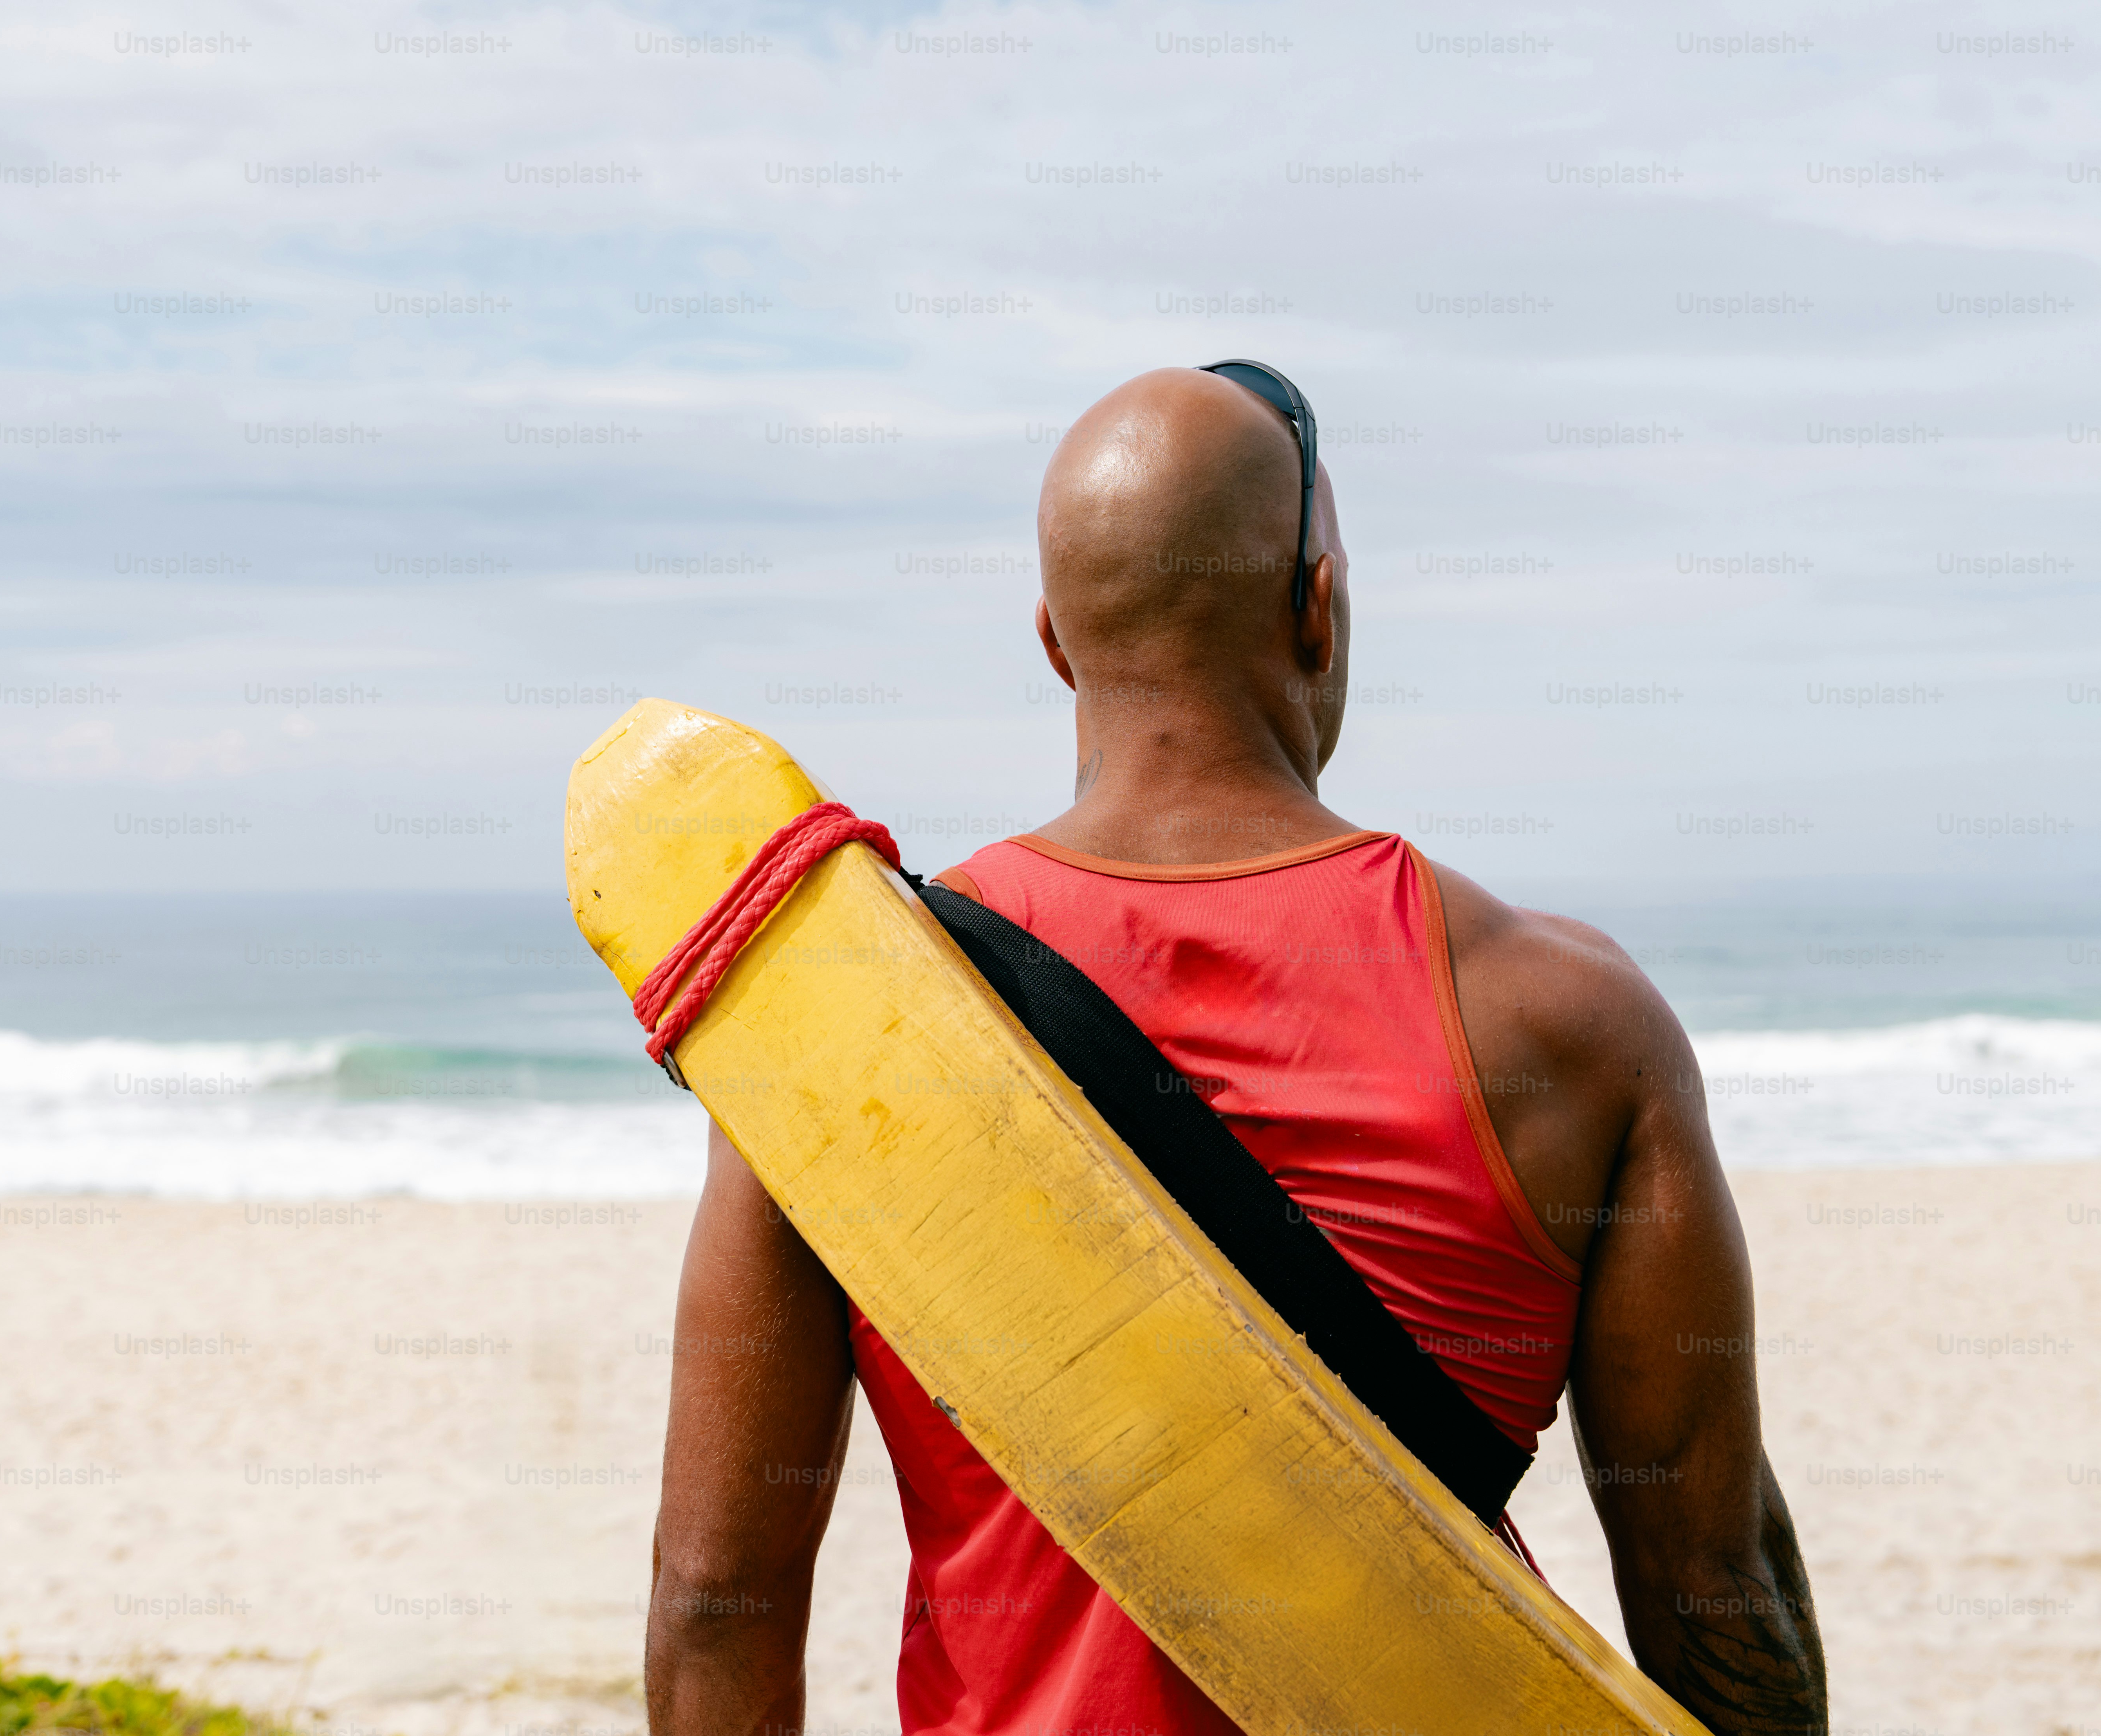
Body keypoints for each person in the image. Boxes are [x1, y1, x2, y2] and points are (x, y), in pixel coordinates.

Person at [642, 367, 1826, 1736]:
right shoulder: (1569, 1021)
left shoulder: (853, 1026)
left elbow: (715, 1590)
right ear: (1317, 609)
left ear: (1055, 642)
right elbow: (1714, 1586)